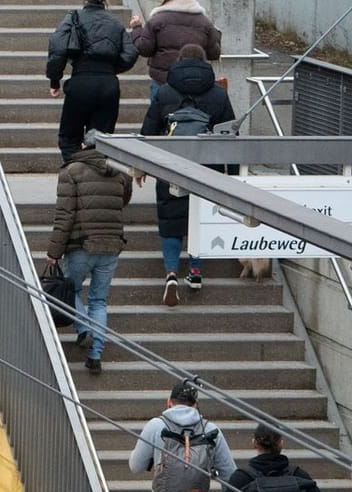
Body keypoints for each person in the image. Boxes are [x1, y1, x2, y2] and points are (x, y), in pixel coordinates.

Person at [138, 44, 236, 303]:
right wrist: (233, 175)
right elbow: (230, 136)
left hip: (170, 165)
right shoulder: (218, 94)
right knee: (200, 218)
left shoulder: (165, 91)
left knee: (171, 219)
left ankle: (171, 272)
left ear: (179, 61)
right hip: (207, 168)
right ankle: (195, 270)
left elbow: (148, 131)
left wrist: (141, 166)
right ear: (205, 63)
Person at [45, 134, 133, 371]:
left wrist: (54, 251)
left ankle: (84, 328)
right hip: (111, 244)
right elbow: (123, 201)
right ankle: (95, 356)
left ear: (83, 145)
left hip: (81, 245)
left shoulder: (71, 171)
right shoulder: (122, 173)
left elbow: (65, 215)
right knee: (99, 300)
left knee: (69, 289)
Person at [47, 0, 140, 162]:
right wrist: (110, 69)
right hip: (108, 84)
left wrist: (55, 79)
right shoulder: (115, 22)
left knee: (69, 137)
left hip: (81, 80)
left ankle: (74, 169)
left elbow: (57, 47)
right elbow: (131, 52)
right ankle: (95, 169)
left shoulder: (74, 17)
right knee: (100, 139)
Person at [129, 0, 222, 97]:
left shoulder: (157, 20)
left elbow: (144, 49)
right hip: (195, 82)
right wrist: (217, 35)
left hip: (162, 81)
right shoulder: (205, 22)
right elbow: (214, 53)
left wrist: (137, 29)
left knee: (161, 106)